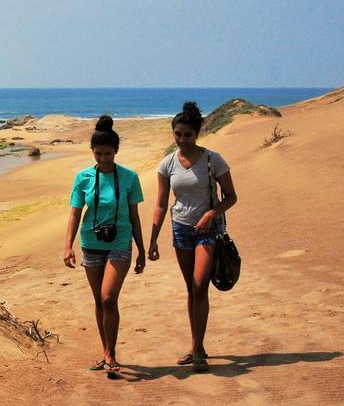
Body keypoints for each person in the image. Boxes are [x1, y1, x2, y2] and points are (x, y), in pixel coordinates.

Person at [148, 101, 238, 372]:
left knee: (200, 285)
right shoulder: (167, 164)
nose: (182, 139)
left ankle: (197, 349)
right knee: (191, 289)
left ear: (197, 133)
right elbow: (161, 204)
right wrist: (152, 240)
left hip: (208, 231)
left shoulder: (213, 159)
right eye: (178, 134)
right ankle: (196, 346)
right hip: (181, 230)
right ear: (172, 133)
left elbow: (231, 196)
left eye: (188, 134)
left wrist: (211, 214)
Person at [63, 115, 146, 376]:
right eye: (98, 154)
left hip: (120, 242)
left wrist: (141, 249)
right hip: (90, 242)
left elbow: (134, 215)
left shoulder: (129, 177)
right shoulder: (83, 178)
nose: (103, 158)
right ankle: (106, 352)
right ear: (92, 152)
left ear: (116, 151)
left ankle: (112, 353)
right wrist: (68, 246)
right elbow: (75, 212)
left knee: (109, 297)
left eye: (108, 153)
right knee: (99, 301)